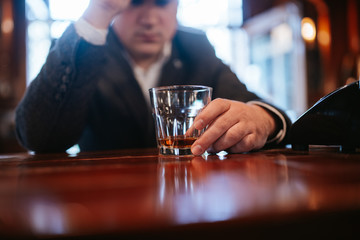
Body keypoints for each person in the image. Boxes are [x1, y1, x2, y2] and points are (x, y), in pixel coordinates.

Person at [15, 0, 292, 155]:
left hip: (187, 202)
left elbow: (264, 111)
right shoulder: (86, 48)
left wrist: (260, 119)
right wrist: (99, 11)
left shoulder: (195, 47)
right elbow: (38, 138)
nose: (149, 19)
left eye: (161, 3)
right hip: (103, 204)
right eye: (135, 3)